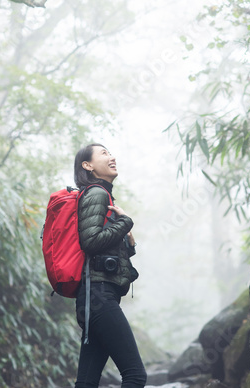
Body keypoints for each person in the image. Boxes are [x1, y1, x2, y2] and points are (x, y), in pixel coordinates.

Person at [74, 143, 147, 388]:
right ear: (88, 165)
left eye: (110, 152)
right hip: (99, 295)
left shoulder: (101, 196)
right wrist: (126, 222)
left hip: (94, 296)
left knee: (86, 382)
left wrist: (130, 243)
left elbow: (108, 256)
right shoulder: (96, 194)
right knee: (135, 375)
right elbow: (91, 242)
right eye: (104, 153)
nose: (112, 156)